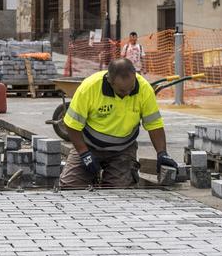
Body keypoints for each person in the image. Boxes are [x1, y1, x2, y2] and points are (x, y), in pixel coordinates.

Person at [59, 58, 177, 188]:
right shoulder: (89, 88)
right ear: (110, 81)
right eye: (121, 91)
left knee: (119, 192)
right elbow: (71, 125)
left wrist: (162, 153)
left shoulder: (144, 89)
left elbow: (154, 125)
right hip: (89, 146)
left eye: (130, 89)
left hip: (122, 150)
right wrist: (85, 155)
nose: (127, 94)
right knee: (69, 187)